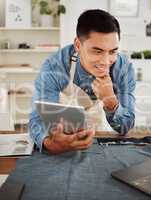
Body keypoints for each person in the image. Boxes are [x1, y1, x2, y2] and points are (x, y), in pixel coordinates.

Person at [29, 9, 136, 154]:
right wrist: (51, 144)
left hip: (103, 142)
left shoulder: (123, 68)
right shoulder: (55, 66)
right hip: (62, 142)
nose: (105, 62)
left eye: (112, 52)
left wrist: (111, 101)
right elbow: (37, 119)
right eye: (97, 51)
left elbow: (125, 127)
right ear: (78, 45)